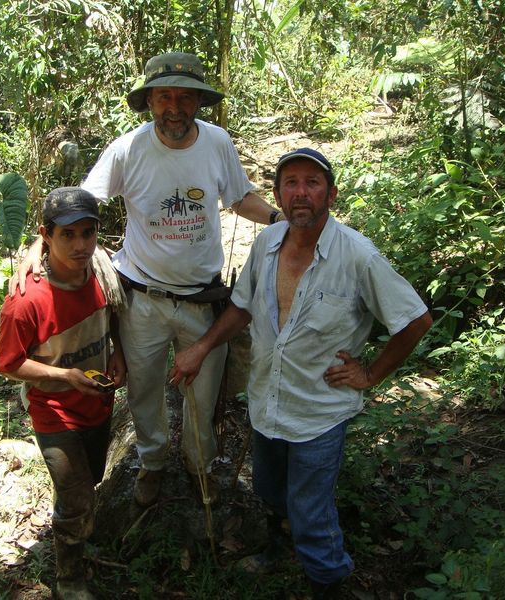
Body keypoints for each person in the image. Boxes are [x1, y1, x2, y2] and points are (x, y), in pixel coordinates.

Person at [12, 52, 285, 508]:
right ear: (149, 101)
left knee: (203, 392)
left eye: (184, 96)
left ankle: (200, 469)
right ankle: (153, 463)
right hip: (141, 296)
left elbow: (240, 198)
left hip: (203, 298)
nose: (174, 107)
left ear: (199, 100)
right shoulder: (129, 149)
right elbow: (82, 201)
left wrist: (278, 219)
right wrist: (34, 247)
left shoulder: (217, 143)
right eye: (164, 97)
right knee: (142, 390)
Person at [169, 148, 433, 598]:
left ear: (331, 193)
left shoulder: (356, 256)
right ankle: (278, 545)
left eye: (312, 183)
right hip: (267, 403)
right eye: (290, 183)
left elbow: (414, 320)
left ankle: (328, 582)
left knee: (311, 511)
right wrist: (201, 346)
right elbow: (242, 307)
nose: (301, 193)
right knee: (272, 491)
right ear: (277, 194)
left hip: (318, 411)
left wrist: (371, 373)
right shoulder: (266, 244)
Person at [0, 187, 127, 600]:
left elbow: (115, 317)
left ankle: (81, 534)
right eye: (68, 234)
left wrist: (118, 354)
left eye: (88, 233)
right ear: (45, 236)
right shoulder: (26, 301)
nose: (80, 244)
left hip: (98, 404)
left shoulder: (102, 271)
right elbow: (7, 362)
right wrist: (64, 376)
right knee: (74, 500)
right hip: (55, 412)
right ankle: (68, 578)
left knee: (90, 483)